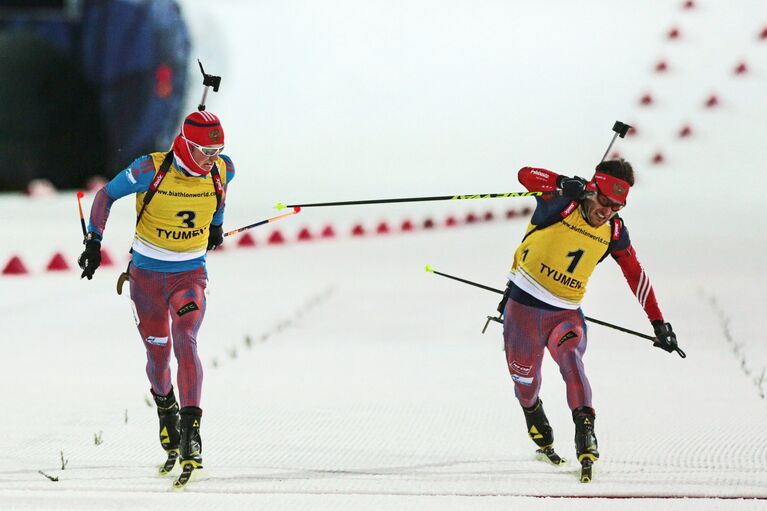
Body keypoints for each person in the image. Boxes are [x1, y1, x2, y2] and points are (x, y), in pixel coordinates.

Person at [77, 110, 235, 478]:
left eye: (217, 151)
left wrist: (216, 224)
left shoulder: (222, 169)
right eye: (203, 152)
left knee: (186, 340)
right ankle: (167, 410)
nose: (211, 159)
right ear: (185, 144)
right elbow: (105, 195)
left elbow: (222, 194)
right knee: (159, 354)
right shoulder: (151, 169)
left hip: (189, 275)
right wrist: (93, 241)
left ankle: (192, 433)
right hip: (147, 277)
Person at [502, 159, 677, 474]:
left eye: (616, 207)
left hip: (565, 317)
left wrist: (659, 323)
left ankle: (585, 431)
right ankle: (532, 411)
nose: (607, 211)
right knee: (525, 383)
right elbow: (525, 174)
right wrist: (561, 181)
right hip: (522, 313)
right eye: (604, 202)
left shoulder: (614, 230)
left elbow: (636, 274)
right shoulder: (561, 202)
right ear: (591, 189)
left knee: (571, 358)